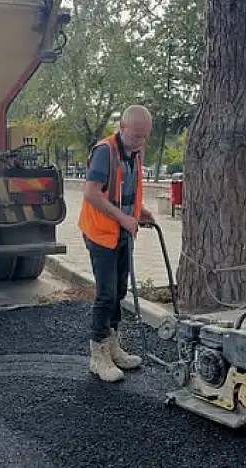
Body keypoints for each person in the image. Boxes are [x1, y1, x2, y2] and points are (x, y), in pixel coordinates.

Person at [78, 105, 155, 382]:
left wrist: (139, 211)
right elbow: (91, 194)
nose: (139, 142)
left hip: (122, 233)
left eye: (144, 137)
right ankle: (98, 355)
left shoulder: (133, 154)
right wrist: (123, 218)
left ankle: (113, 346)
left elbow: (124, 189)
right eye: (135, 136)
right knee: (106, 293)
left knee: (119, 291)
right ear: (122, 128)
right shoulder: (104, 152)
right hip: (101, 233)